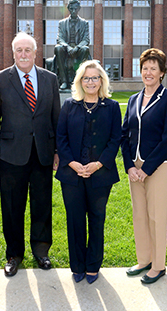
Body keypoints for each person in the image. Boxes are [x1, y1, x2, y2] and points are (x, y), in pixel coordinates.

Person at [0, 32, 60, 277]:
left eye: (28, 49)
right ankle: (14, 254)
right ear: (13, 53)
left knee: (42, 205)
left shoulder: (49, 79)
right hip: (11, 156)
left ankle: (41, 251)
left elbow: (56, 118)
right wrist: (0, 150)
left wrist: (57, 150)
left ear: (35, 52)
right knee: (11, 207)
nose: (23, 54)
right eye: (19, 50)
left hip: (42, 154)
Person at [55, 60, 121, 284]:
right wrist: (72, 163)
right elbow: (60, 138)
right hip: (72, 175)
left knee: (96, 219)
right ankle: (77, 266)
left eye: (94, 78)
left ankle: (93, 265)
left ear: (101, 81)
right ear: (79, 81)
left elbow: (115, 140)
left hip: (100, 175)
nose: (90, 82)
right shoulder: (69, 106)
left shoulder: (111, 107)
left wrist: (98, 164)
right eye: (86, 78)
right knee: (75, 221)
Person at [121, 48, 167, 284]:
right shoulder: (134, 99)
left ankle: (158, 266)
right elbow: (124, 135)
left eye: (153, 68)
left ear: (162, 72)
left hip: (160, 165)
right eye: (145, 68)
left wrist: (146, 169)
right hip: (135, 167)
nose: (148, 72)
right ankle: (143, 260)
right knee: (140, 215)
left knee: (157, 215)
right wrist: (129, 166)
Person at [54, 0, 90, 90]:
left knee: (85, 49)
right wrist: (68, 47)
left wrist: (77, 47)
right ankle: (64, 81)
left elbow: (86, 39)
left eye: (76, 9)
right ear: (68, 9)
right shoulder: (62, 23)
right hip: (66, 49)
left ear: (79, 9)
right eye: (71, 9)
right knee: (58, 48)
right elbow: (60, 38)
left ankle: (76, 81)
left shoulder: (84, 23)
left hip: (78, 49)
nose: (74, 11)